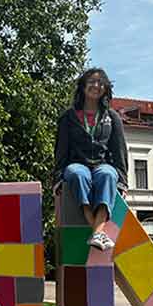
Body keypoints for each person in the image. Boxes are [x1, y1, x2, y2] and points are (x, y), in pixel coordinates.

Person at [54, 68, 129, 250]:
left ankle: (97, 232)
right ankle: (99, 232)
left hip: (102, 165)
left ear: (105, 88)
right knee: (77, 174)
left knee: (108, 175)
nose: (96, 85)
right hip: (77, 163)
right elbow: (61, 149)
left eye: (100, 82)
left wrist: (123, 182)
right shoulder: (69, 117)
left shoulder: (112, 117)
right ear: (83, 86)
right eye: (92, 81)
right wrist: (57, 177)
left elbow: (119, 150)